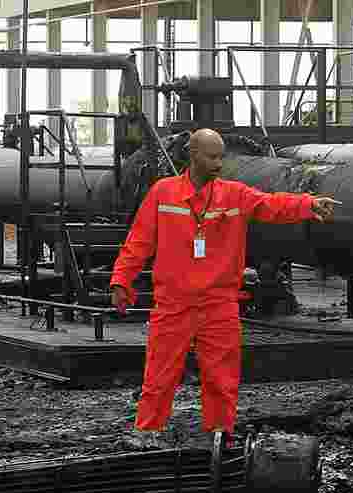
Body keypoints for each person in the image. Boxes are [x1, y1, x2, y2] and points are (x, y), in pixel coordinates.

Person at [111, 128, 339, 447]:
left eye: (221, 157)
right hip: (174, 303)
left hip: (219, 303)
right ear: (194, 156)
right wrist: (122, 280)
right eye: (212, 156)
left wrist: (308, 205)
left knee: (222, 376)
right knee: (160, 372)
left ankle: (219, 435)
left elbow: (270, 204)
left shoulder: (233, 196)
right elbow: (139, 241)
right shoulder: (163, 194)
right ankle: (148, 431)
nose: (219, 163)